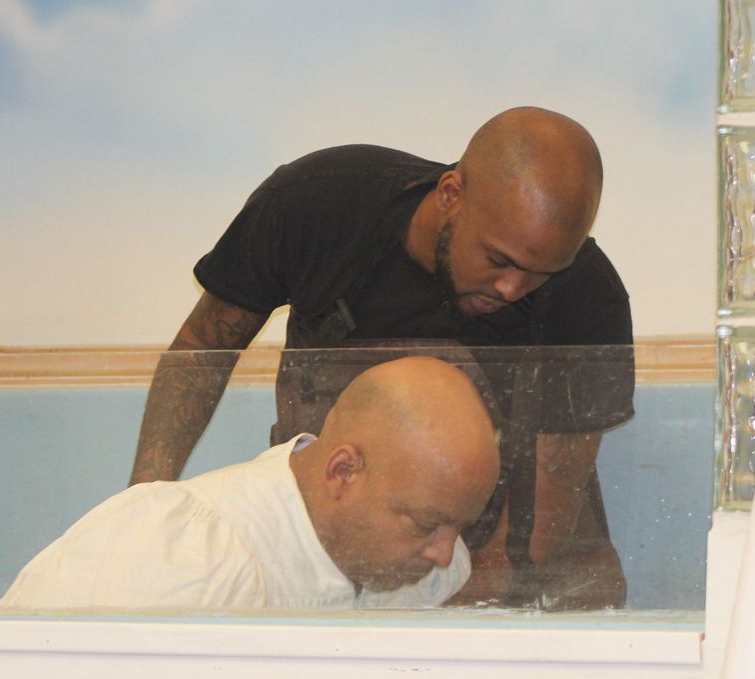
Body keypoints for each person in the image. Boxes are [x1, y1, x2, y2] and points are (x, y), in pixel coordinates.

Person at [129, 107, 636, 609]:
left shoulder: (587, 296)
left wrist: (432, 628)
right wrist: (144, 508)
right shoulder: (316, 208)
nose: (512, 288)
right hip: (336, 565)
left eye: (541, 274)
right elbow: (203, 348)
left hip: (518, 589)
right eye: (497, 259)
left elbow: (532, 533)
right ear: (451, 194)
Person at [0, 357, 499, 609]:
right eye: (426, 525)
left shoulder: (430, 565)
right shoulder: (181, 558)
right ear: (343, 472)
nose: (445, 554)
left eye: (459, 526)